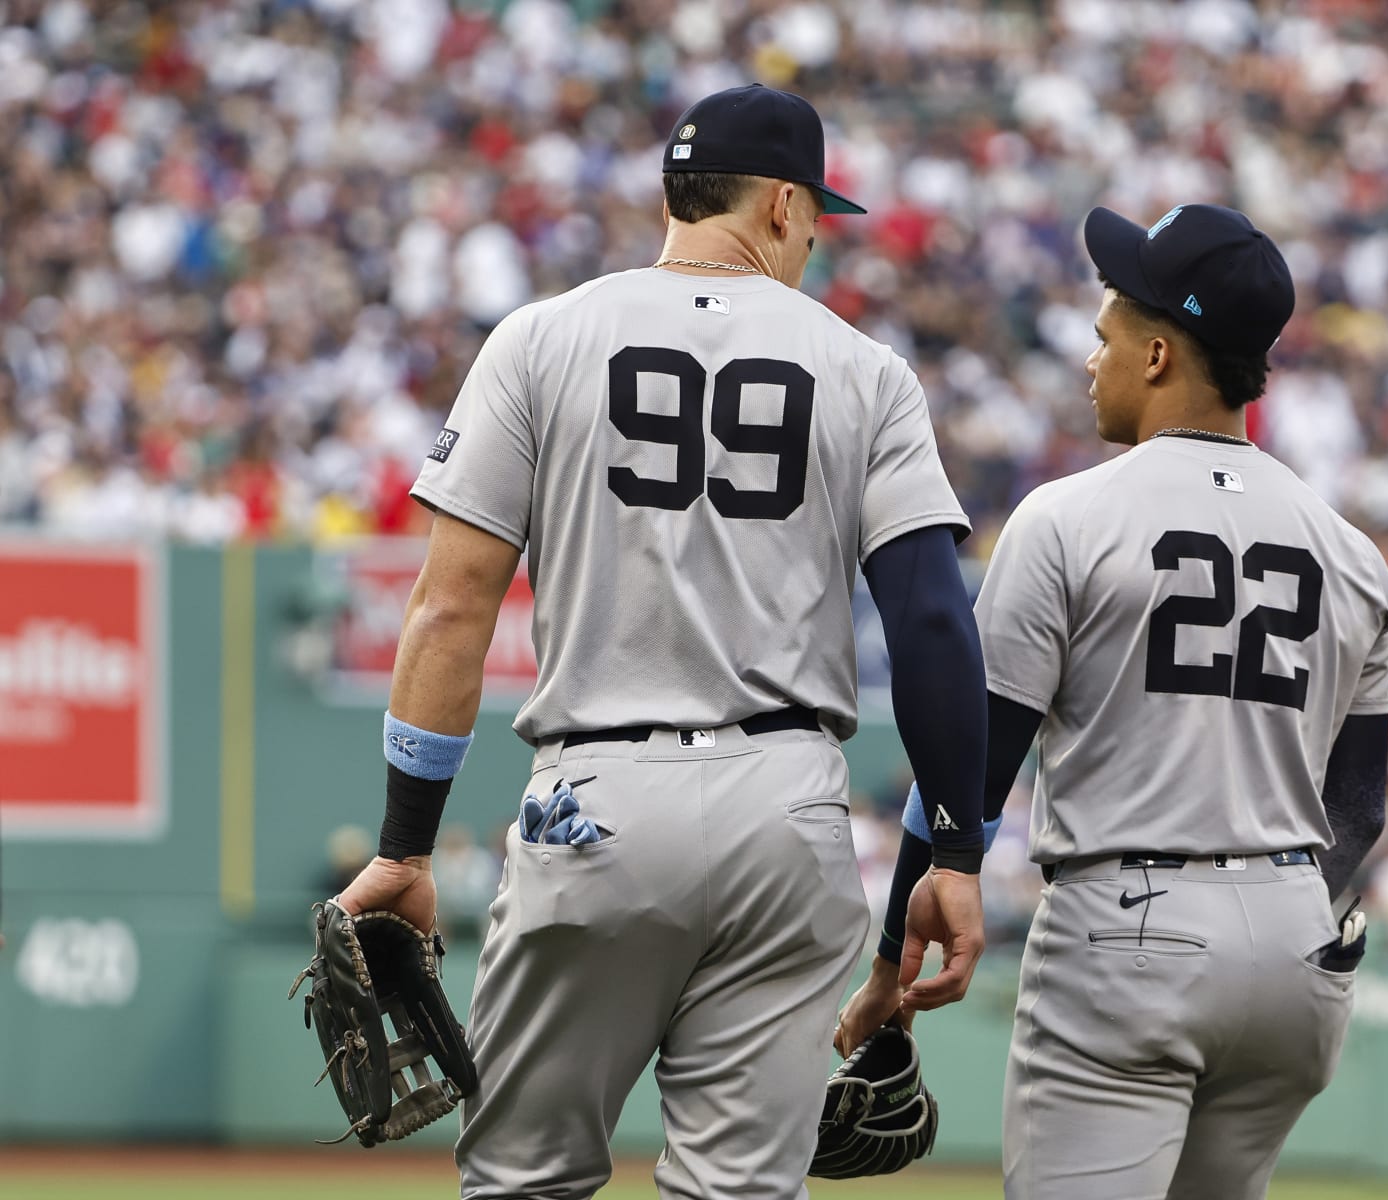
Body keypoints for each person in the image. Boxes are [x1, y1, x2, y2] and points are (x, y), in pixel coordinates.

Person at [332, 84, 989, 1200]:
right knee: (737, 1190)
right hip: (788, 803)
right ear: (783, 205)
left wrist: (405, 846)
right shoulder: (866, 370)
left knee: (523, 1180)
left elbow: (450, 608)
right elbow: (932, 620)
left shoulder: (540, 338)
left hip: (594, 798)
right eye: (818, 215)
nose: (818, 236)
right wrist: (960, 850)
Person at [839, 203, 1388, 1200]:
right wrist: (1279, 912)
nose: (1091, 360)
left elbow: (970, 777)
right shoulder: (1352, 553)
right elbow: (1359, 809)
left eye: (1105, 338)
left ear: (1156, 356)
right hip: (1295, 951)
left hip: (1131, 927)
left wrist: (893, 954)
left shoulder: (1066, 518)